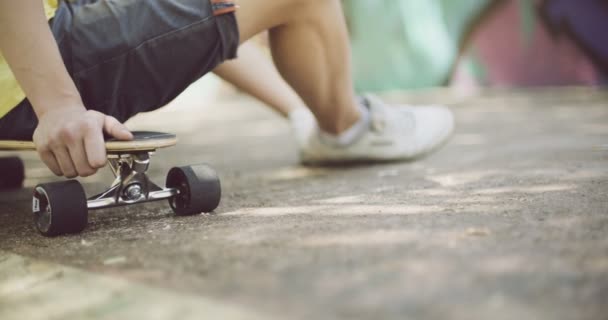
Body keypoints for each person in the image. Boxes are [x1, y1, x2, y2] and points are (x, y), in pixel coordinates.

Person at [0, 0, 454, 179]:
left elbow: (201, 34)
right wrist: (57, 105)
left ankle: (317, 119)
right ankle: (347, 126)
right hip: (29, 67)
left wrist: (295, 112)